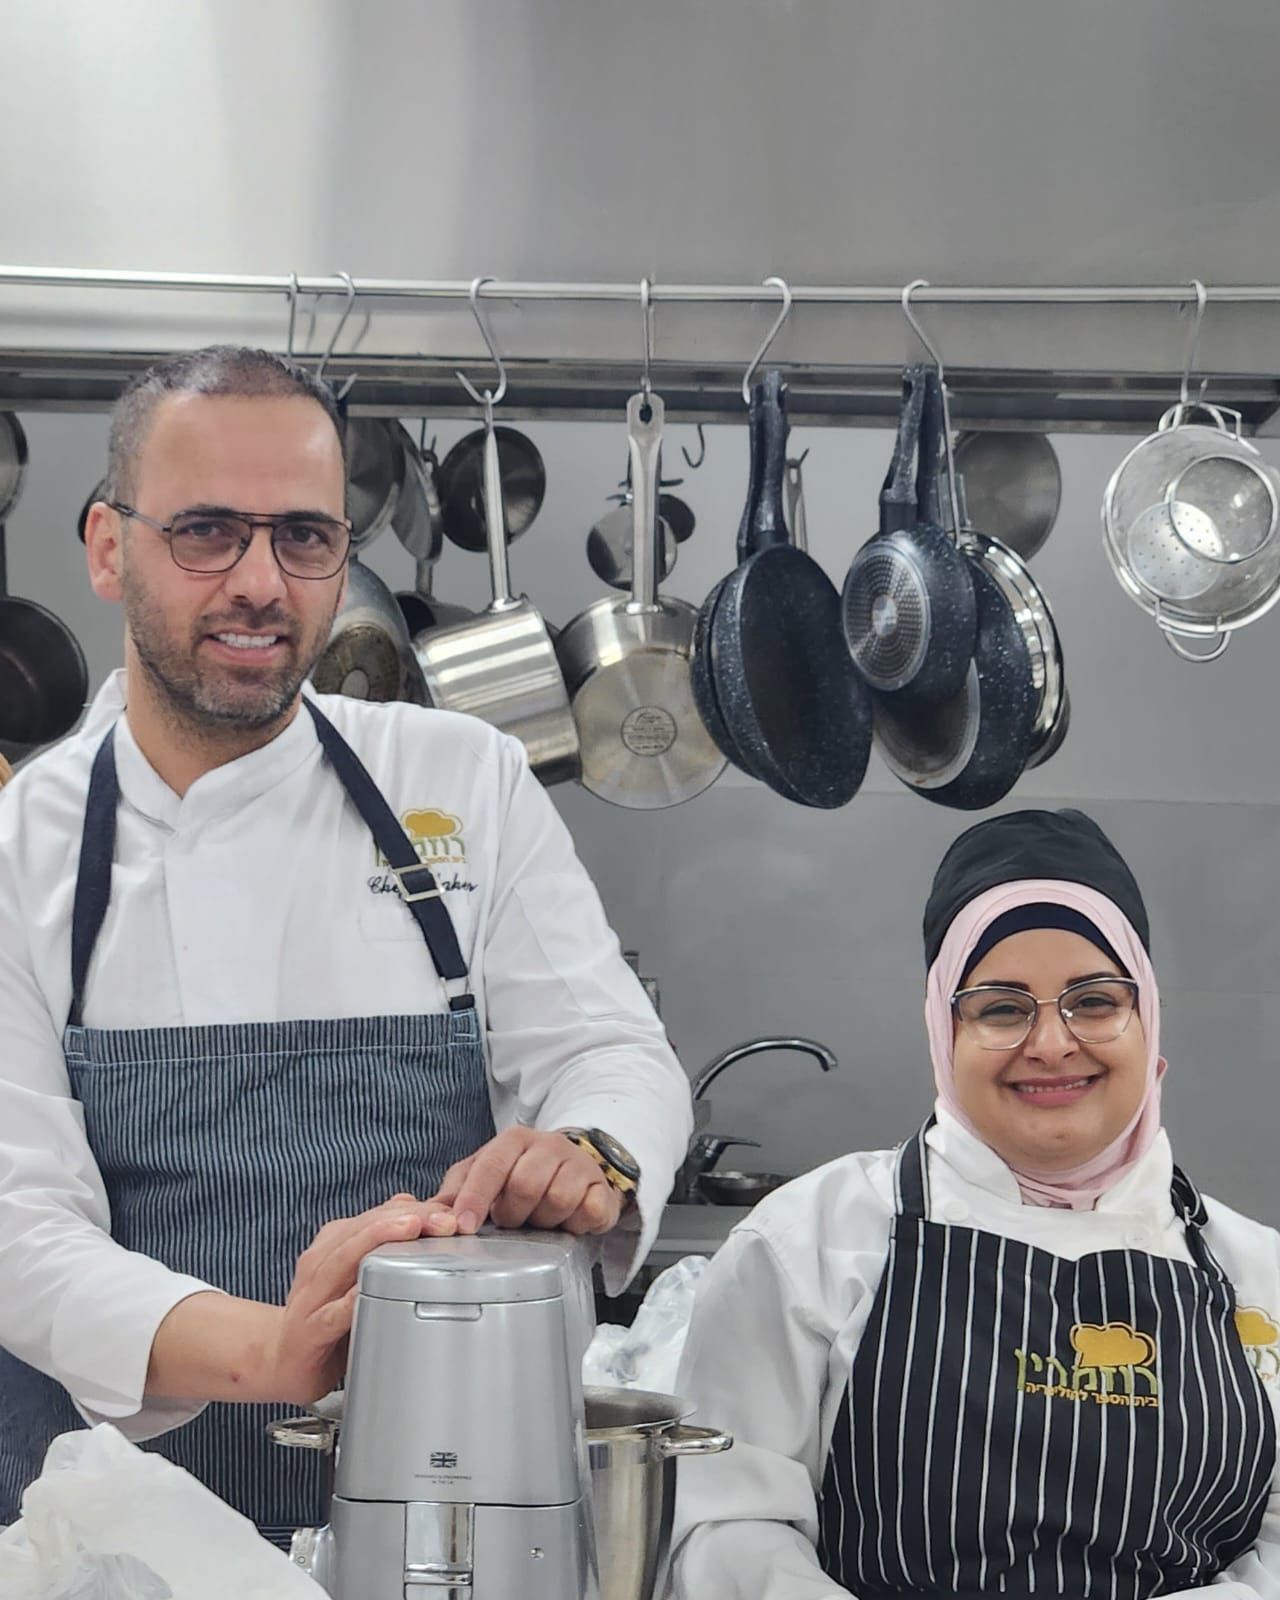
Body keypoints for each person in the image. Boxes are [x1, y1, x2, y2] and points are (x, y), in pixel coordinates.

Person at [0, 346, 692, 1541]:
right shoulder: (21, 845)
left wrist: (588, 1148)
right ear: (109, 548)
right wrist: (279, 1348)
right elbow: (19, 1225)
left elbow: (611, 1049)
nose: (261, 582)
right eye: (207, 532)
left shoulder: (461, 780)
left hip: (455, 1517)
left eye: (306, 537)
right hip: (119, 1538)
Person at [671, 808, 1280, 1600]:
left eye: (1095, 1000)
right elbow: (725, 1522)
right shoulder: (807, 1244)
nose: (1052, 1043)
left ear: (1147, 1016)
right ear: (943, 1029)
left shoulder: (1257, 1273)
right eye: (1001, 1007)